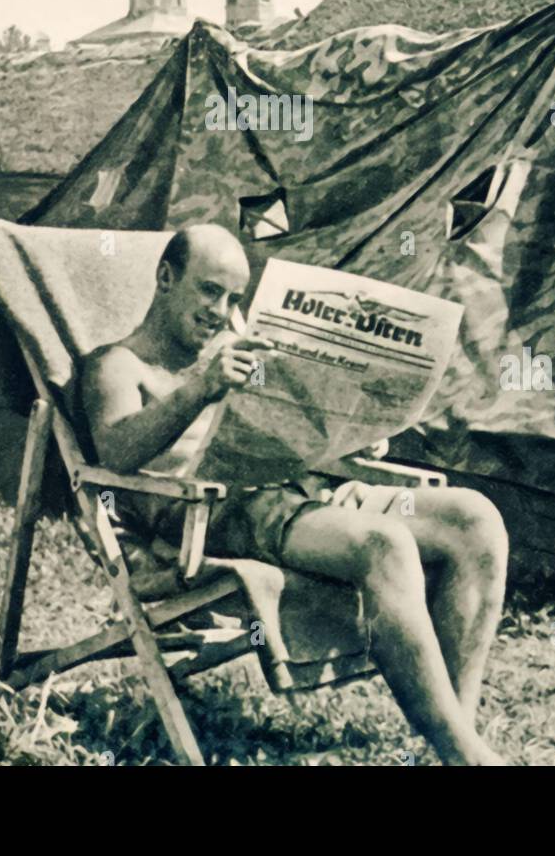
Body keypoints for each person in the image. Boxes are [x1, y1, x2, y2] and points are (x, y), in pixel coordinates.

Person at [77, 223, 508, 766]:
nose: (220, 309)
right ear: (166, 278)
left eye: (233, 297)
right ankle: (465, 754)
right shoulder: (115, 365)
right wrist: (201, 389)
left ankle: (456, 733)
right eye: (209, 290)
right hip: (211, 516)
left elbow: (289, 429)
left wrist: (353, 430)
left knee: (475, 518)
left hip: (292, 490)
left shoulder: (235, 351)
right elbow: (114, 453)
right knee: (383, 545)